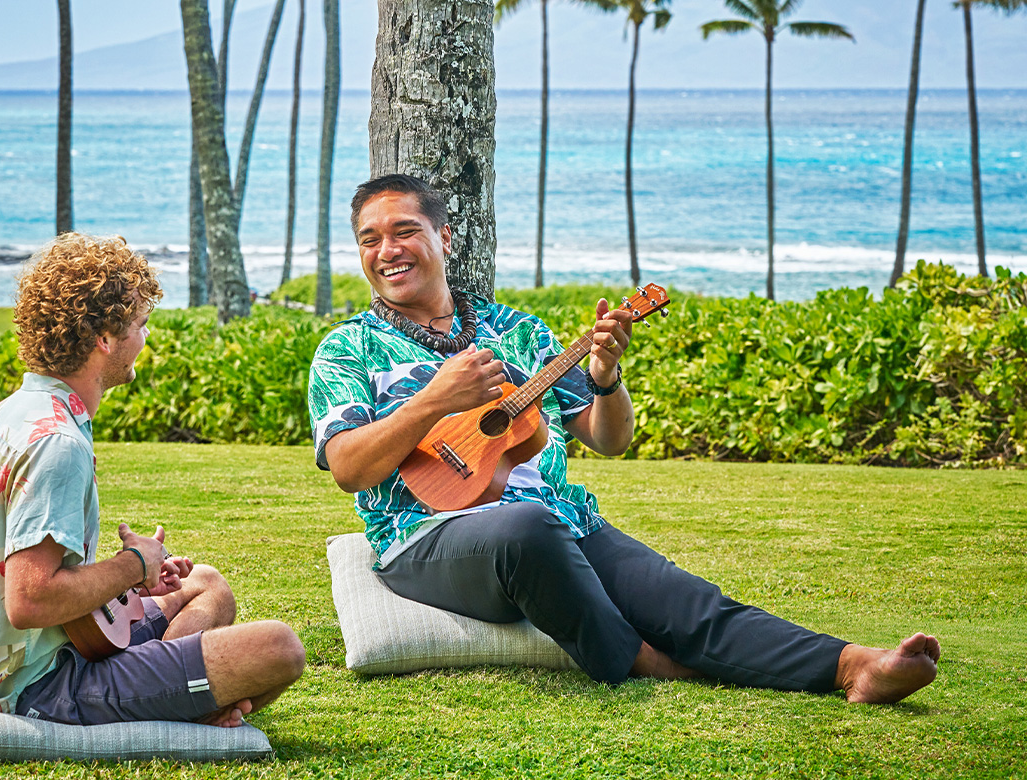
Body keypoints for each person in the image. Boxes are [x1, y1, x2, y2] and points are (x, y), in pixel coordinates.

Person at [307, 173, 940, 703]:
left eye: (404, 231)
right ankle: (639, 658)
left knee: (683, 598)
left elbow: (609, 440)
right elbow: (348, 467)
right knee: (523, 528)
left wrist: (607, 380)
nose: (386, 249)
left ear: (444, 237)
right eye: (370, 239)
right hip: (427, 537)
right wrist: (431, 403)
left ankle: (852, 666)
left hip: (564, 522)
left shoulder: (519, 333)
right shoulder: (347, 349)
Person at [0, 234, 304, 748]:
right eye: (140, 324)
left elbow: (35, 570)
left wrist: (129, 589)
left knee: (205, 585)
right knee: (279, 649)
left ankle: (169, 695)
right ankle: (176, 707)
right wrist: (133, 566)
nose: (145, 338)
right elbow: (30, 601)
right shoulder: (57, 443)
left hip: (43, 652)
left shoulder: (16, 412)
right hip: (30, 686)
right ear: (105, 336)